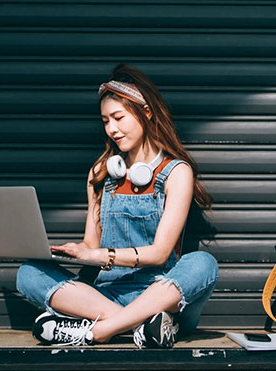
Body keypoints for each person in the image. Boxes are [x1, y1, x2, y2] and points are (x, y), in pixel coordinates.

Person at [15, 64, 218, 348]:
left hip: (162, 295)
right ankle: (142, 327)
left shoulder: (176, 172)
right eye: (105, 121)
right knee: (28, 273)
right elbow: (91, 244)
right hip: (105, 296)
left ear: (146, 112)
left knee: (202, 264)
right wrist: (75, 252)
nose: (112, 129)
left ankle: (97, 332)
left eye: (118, 118)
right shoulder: (100, 172)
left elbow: (160, 254)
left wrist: (101, 256)